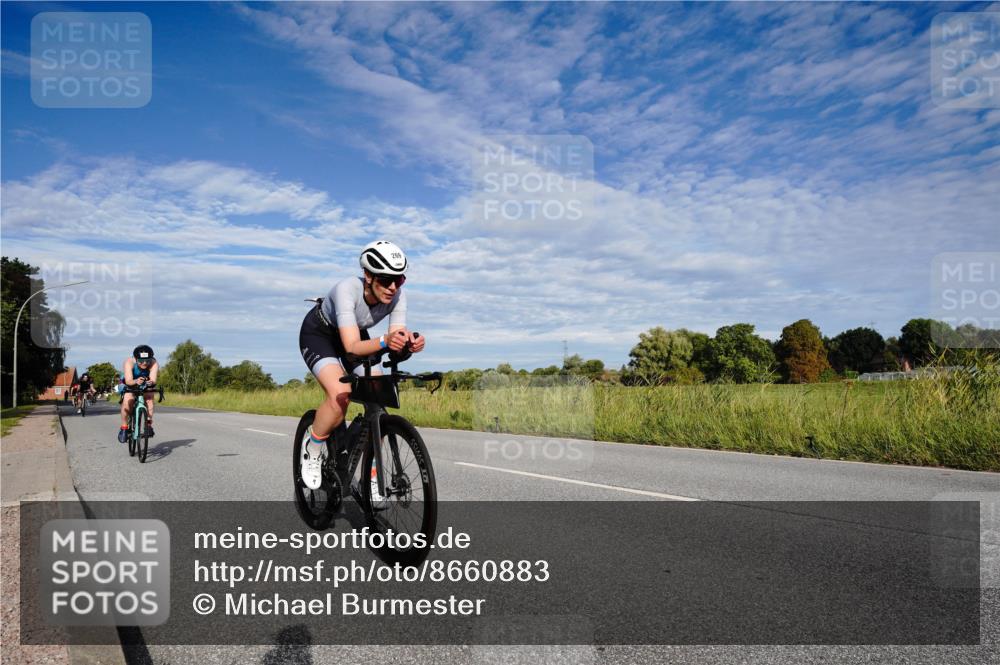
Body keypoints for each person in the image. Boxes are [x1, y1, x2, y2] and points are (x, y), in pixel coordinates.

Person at [298, 240, 425, 489]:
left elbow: (394, 337)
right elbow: (352, 347)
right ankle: (312, 449)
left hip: (355, 336)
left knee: (378, 401)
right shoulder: (347, 289)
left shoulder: (398, 297)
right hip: (320, 336)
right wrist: (385, 341)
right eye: (386, 279)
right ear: (368, 275)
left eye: (398, 280)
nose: (392, 287)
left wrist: (407, 344)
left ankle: (373, 476)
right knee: (341, 394)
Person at [118, 345, 159, 443]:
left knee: (149, 398)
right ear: (135, 359)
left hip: (144, 382)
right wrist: (135, 381)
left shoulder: (154, 363)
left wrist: (151, 382)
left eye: (147, 361)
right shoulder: (129, 362)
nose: (145, 363)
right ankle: (124, 427)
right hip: (128, 382)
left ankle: (148, 425)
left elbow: (153, 379)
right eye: (141, 361)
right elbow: (128, 381)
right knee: (128, 400)